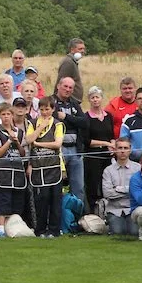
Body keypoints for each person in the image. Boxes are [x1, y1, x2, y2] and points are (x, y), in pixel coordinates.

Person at [25, 96, 65, 237]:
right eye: (42, 109)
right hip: (38, 167)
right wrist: (40, 127)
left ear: (53, 109)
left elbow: (57, 144)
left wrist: (38, 144)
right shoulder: (33, 123)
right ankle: (40, 230)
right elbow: (29, 139)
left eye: (47, 109)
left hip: (54, 167)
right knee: (41, 200)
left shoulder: (58, 124)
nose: (44, 112)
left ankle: (54, 231)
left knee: (55, 200)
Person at [0, 104, 28, 237]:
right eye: (3, 114)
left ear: (12, 115)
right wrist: (9, 141)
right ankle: (0, 229)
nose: (6, 117)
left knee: (17, 200)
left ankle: (14, 226)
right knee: (2, 200)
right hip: (2, 171)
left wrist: (17, 142)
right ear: (0, 116)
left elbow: (23, 153)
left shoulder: (20, 132)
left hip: (17, 171)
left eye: (8, 114)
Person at [53, 77, 87, 208]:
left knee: (78, 186)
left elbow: (84, 122)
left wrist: (66, 117)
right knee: (57, 185)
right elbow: (53, 119)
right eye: (65, 86)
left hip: (75, 149)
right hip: (58, 149)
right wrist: (74, 120)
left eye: (70, 88)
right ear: (58, 86)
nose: (67, 90)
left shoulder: (74, 104)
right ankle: (58, 216)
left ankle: (78, 217)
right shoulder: (51, 102)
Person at [83, 86, 116, 212]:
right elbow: (87, 141)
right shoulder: (86, 118)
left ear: (101, 99)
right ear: (89, 100)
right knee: (93, 184)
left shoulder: (108, 117)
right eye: (92, 98)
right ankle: (93, 211)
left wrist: (112, 145)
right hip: (93, 156)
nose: (95, 100)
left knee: (107, 183)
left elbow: (111, 135)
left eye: (97, 97)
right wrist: (106, 143)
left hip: (107, 156)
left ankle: (107, 210)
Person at [101, 138, 140, 236]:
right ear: (115, 150)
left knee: (134, 233)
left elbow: (140, 191)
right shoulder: (108, 170)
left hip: (132, 209)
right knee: (118, 232)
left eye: (125, 148)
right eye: (120, 148)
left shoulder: (138, 168)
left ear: (130, 150)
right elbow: (107, 193)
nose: (122, 151)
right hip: (114, 209)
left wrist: (118, 189)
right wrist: (130, 190)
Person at [119, 87, 142, 161]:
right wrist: (135, 153)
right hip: (135, 161)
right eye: (139, 98)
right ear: (135, 101)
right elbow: (123, 142)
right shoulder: (129, 121)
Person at [56, 38, 85, 102]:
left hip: (73, 101)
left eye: (83, 49)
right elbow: (60, 82)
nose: (83, 51)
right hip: (69, 101)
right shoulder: (68, 62)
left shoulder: (72, 61)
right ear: (72, 50)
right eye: (80, 49)